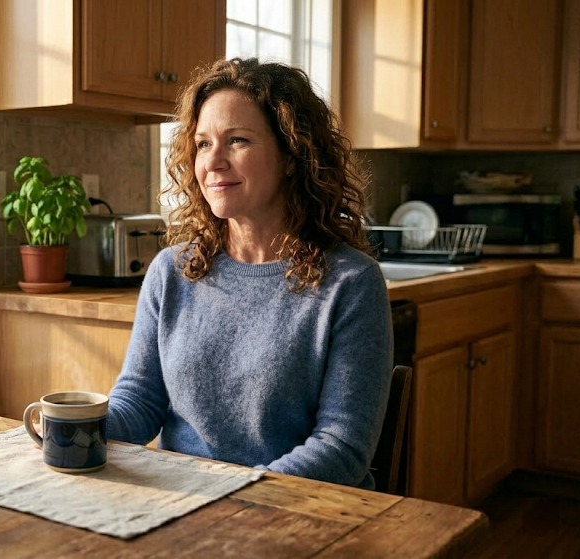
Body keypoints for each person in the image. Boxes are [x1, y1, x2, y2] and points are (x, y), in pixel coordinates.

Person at [106, 57, 393, 490]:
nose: (213, 161)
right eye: (203, 144)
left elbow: (341, 449)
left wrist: (233, 499)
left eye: (237, 140)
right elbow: (139, 403)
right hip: (183, 507)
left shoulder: (351, 283)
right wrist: (74, 424)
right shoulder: (171, 271)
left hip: (297, 512)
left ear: (292, 156)